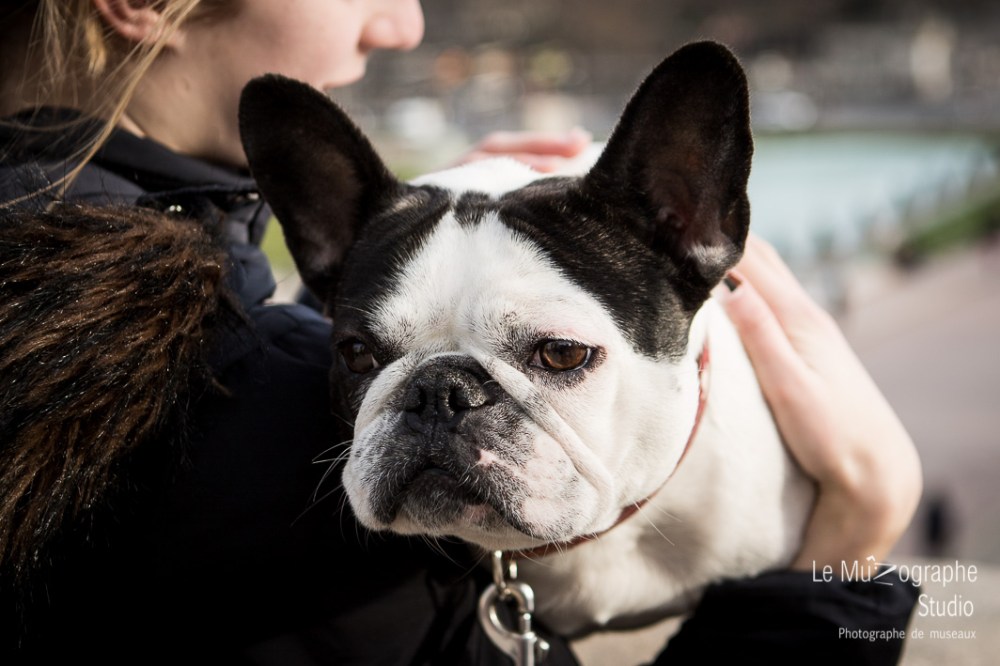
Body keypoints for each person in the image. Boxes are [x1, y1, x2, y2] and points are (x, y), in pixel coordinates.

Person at [0, 1, 921, 664]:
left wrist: (456, 239)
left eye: (556, 354)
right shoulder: (257, 439)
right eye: (367, 354)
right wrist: (849, 549)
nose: (402, 22)